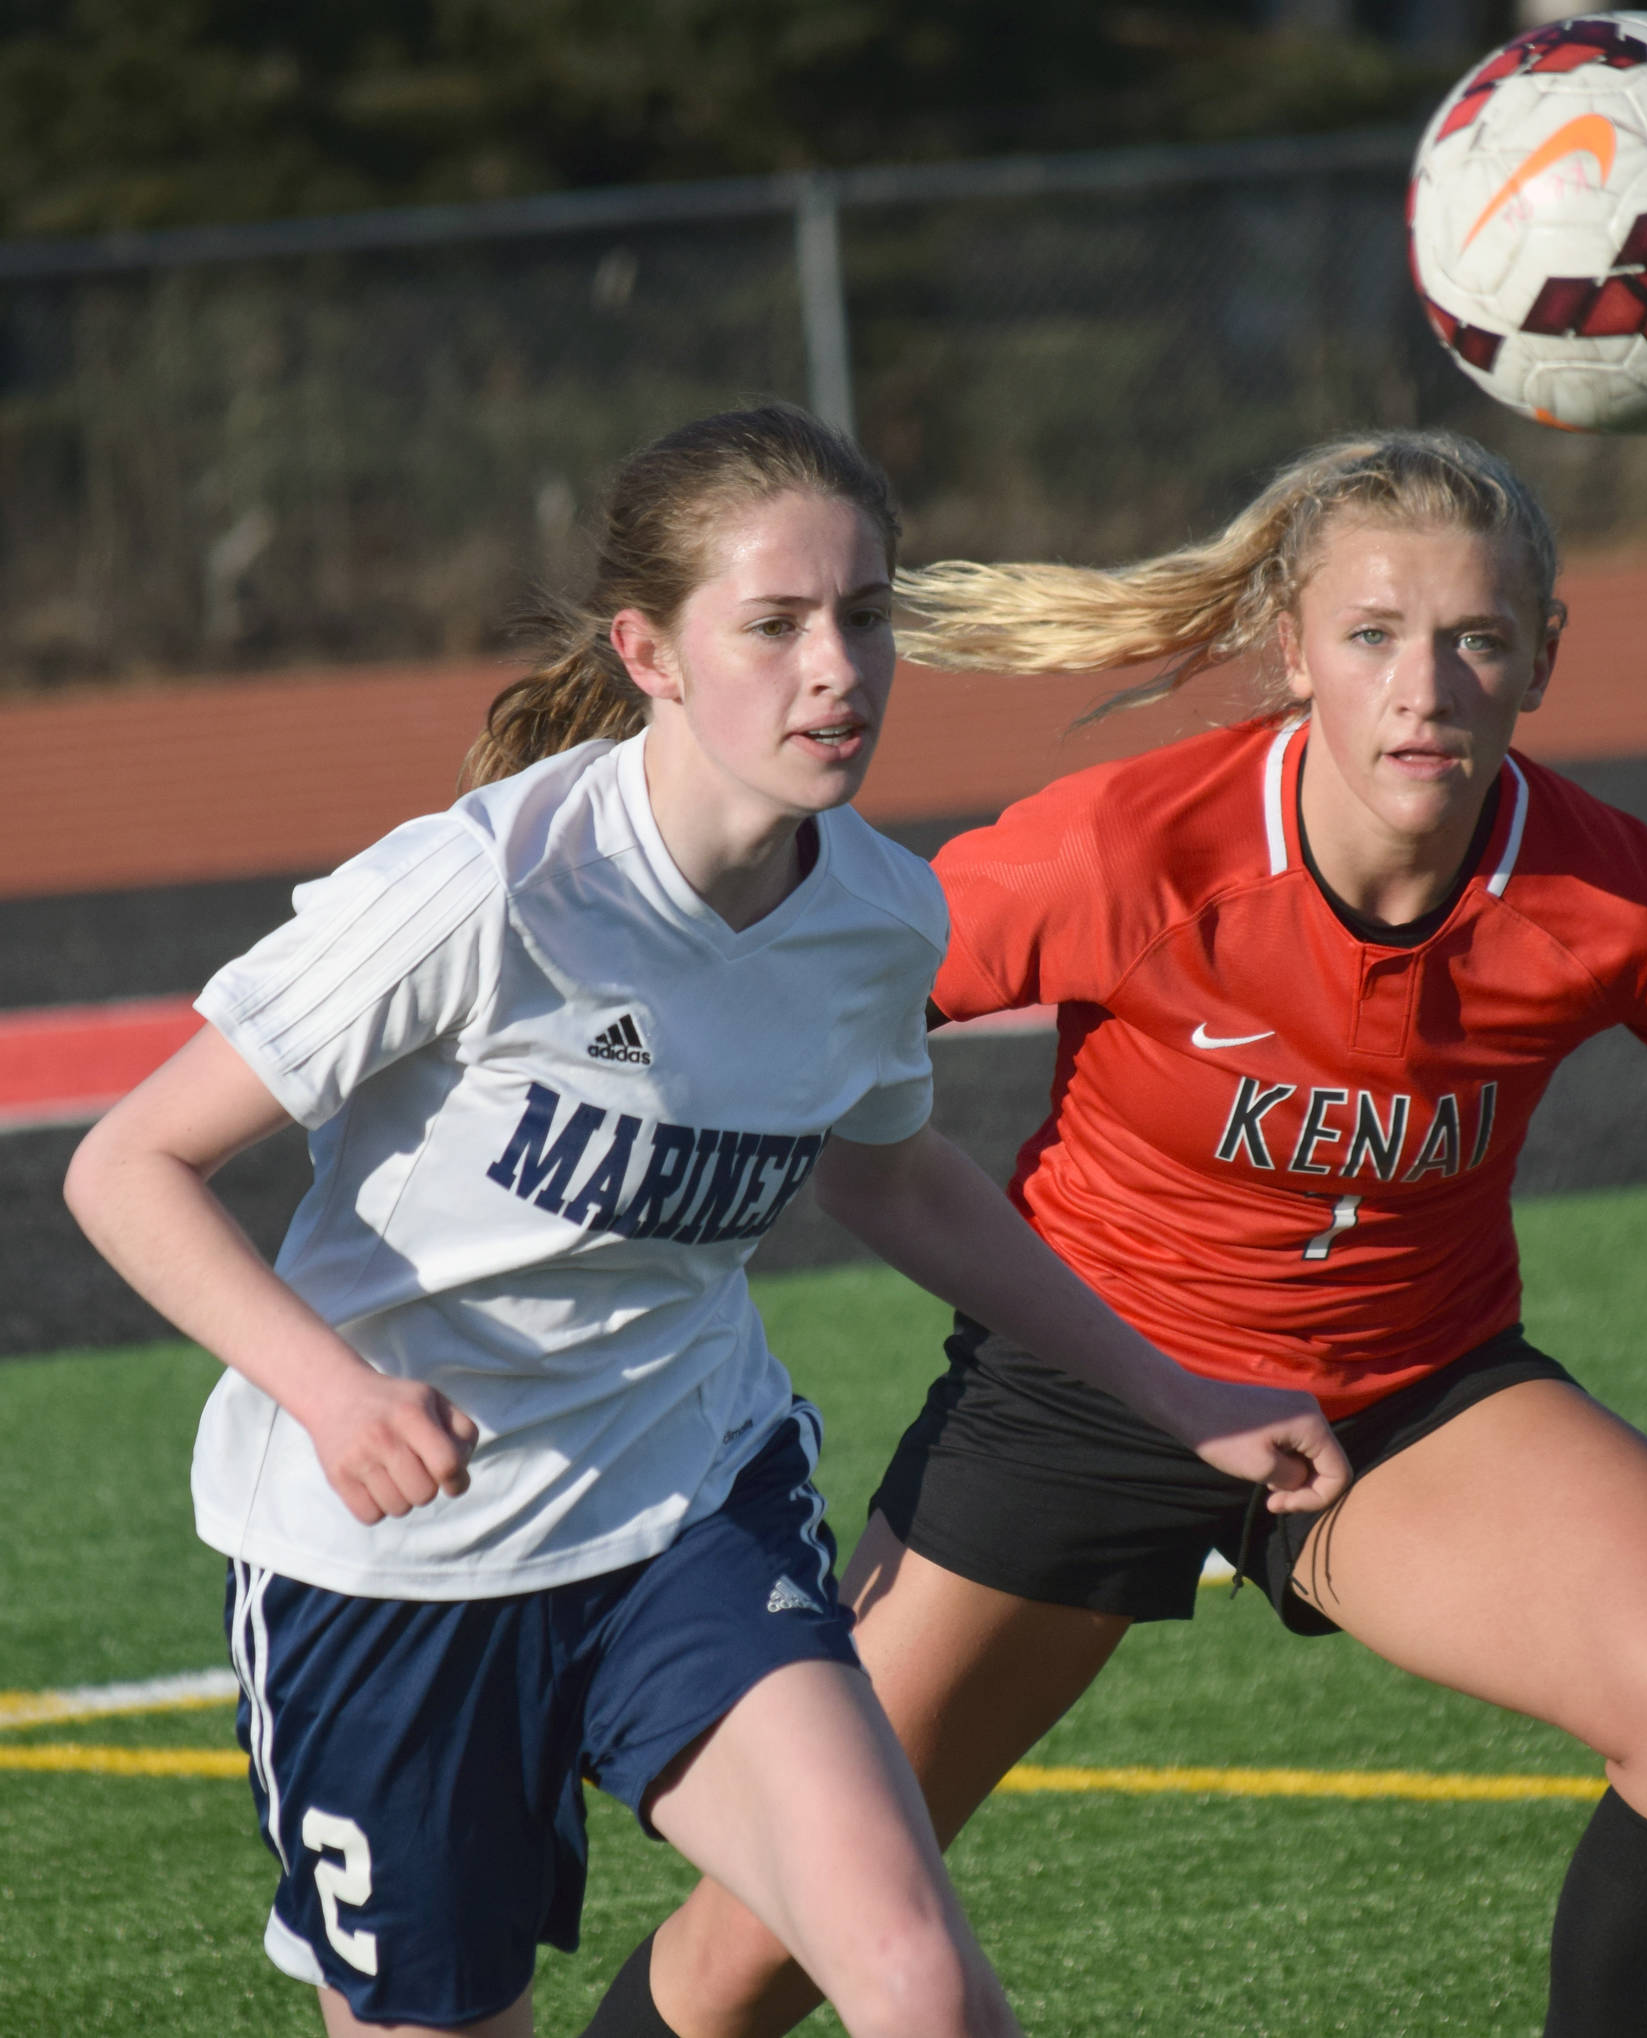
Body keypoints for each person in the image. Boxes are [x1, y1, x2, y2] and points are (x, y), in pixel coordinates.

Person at [618, 427, 1647, 2038]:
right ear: (1290, 649)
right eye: (1375, 634)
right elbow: (802, 983)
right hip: (1088, 1382)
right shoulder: (1131, 847)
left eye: (1478, 639)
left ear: (1544, 657)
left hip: (1407, 1396)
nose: (1425, 685)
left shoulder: (1609, 899)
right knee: (770, 1934)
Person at [62, 403, 1347, 2038]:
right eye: (777, 624)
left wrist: (1178, 1390)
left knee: (917, 1980)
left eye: (867, 615)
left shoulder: (878, 912)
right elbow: (125, 1166)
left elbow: (891, 1171)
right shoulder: (484, 886)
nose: (839, 668)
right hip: (386, 1564)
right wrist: (334, 1392)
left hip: (686, 1507)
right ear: (651, 652)